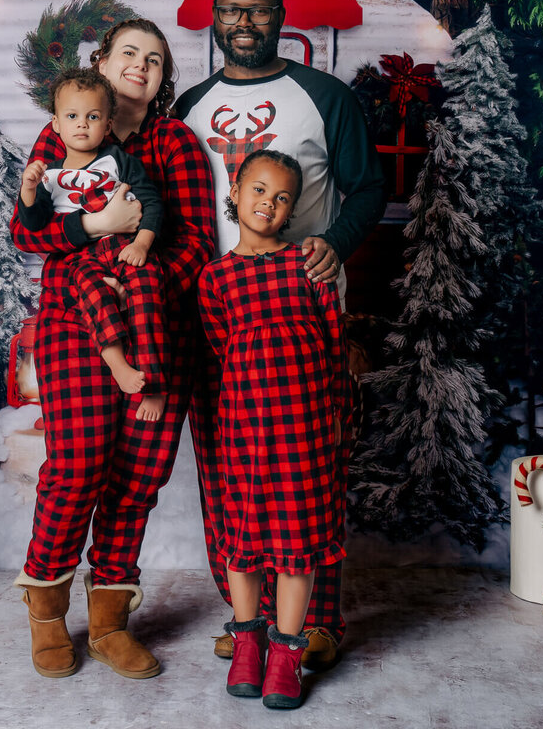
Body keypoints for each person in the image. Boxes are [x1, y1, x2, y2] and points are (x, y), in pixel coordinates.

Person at [174, 0, 386, 667]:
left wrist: (333, 243)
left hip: (300, 317)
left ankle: (314, 625)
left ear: (280, 15)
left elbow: (367, 188)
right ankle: (250, 627)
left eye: (259, 12)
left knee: (307, 472)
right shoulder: (189, 107)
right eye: (231, 11)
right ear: (213, 15)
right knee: (227, 474)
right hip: (220, 313)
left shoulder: (324, 96)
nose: (244, 23)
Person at [10, 19, 215, 680]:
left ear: (162, 79)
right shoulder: (70, 123)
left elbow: (199, 247)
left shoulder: (175, 142)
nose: (141, 65)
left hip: (157, 326)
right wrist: (92, 227)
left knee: (137, 480)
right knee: (78, 463)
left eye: (155, 59)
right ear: (100, 61)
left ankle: (108, 623)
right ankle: (46, 613)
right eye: (129, 52)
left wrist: (137, 275)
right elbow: (27, 232)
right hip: (75, 323)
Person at [198, 150, 350, 709]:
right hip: (244, 427)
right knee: (243, 539)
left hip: (304, 429)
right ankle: (247, 644)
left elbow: (333, 346)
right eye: (259, 190)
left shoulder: (307, 265)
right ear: (235, 193)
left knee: (297, 542)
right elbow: (220, 350)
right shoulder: (215, 278)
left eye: (282, 196)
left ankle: (286, 653)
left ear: (292, 209)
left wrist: (336, 414)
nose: (269, 202)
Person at [19, 67, 167, 421]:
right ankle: (117, 363)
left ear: (108, 123)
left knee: (148, 289)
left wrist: (143, 245)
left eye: (93, 116)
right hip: (79, 255)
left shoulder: (120, 162)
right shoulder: (50, 174)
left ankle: (156, 386)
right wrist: (28, 189)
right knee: (92, 290)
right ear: (56, 124)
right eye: (72, 116)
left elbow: (153, 204)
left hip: (123, 245)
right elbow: (34, 223)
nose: (82, 124)